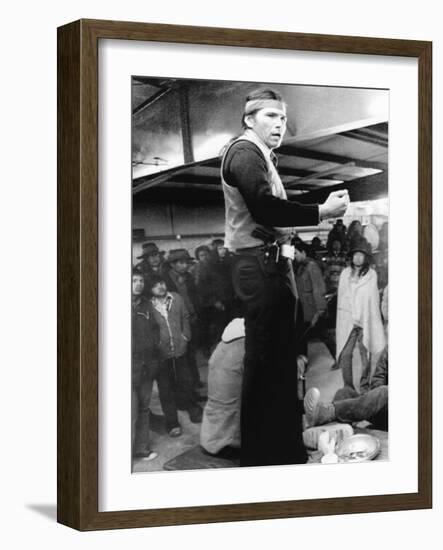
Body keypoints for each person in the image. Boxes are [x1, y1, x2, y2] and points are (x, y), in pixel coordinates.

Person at [221, 87, 349, 466]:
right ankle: (267, 458)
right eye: (271, 117)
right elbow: (266, 208)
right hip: (260, 268)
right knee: (266, 366)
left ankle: (281, 449)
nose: (280, 124)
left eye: (283, 118)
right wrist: (322, 212)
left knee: (277, 364)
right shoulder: (245, 152)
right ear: (249, 119)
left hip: (269, 264)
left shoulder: (260, 154)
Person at [147, 275, 203, 437]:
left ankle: (193, 409)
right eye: (156, 285)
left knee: (186, 381)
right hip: (161, 355)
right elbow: (148, 329)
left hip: (180, 349)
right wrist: (157, 345)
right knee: (165, 388)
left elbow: (185, 317)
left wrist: (186, 336)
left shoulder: (176, 298)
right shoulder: (148, 305)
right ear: (150, 289)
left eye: (162, 283)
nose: (160, 287)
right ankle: (172, 422)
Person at [336, 238, 385, 391]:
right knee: (345, 355)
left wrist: (368, 319)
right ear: (351, 256)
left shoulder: (372, 275)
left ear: (366, 257)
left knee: (366, 357)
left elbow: (372, 301)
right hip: (348, 321)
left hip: (365, 321)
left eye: (361, 254)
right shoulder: (345, 274)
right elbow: (342, 299)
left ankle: (364, 386)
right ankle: (348, 387)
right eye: (355, 254)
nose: (358, 258)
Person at [304, 345, 388, 430]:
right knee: (344, 393)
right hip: (383, 409)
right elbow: (378, 378)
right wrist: (370, 399)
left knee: (385, 392)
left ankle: (326, 413)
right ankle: (333, 428)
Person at [163, 248, 202, 389]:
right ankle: (187, 387)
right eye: (181, 263)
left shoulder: (189, 277)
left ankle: (195, 382)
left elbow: (194, 297)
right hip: (177, 323)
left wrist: (195, 313)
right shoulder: (165, 280)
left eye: (186, 262)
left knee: (191, 353)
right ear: (172, 264)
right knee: (182, 356)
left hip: (191, 319)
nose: (185, 265)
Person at [131, 269, 160, 461]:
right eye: (134, 280)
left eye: (141, 280)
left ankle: (141, 448)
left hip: (146, 366)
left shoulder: (147, 305)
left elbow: (156, 330)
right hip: (127, 367)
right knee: (129, 409)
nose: (139, 284)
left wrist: (153, 351)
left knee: (143, 408)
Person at [293, 240, 336, 363]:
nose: (294, 256)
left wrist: (320, 310)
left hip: (314, 309)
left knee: (323, 335)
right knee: (302, 336)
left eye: (296, 253)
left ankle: (339, 357)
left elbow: (318, 289)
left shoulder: (312, 266)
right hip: (304, 307)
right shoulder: (301, 266)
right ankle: (303, 360)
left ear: (303, 252)